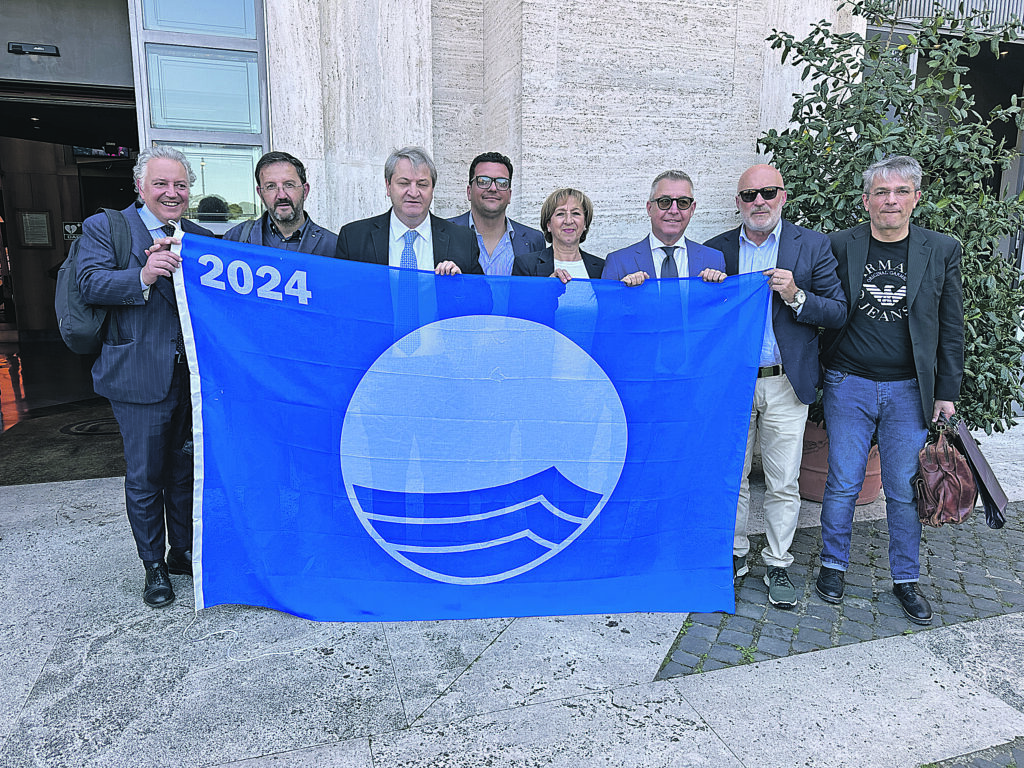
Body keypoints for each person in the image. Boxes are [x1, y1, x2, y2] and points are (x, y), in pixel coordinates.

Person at [814, 155, 964, 625]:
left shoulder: (940, 249)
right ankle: (832, 566)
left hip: (908, 391)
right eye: (881, 192)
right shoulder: (839, 245)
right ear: (866, 200)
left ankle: (905, 579)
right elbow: (823, 304)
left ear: (916, 198)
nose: (891, 201)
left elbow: (951, 327)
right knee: (842, 481)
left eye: (900, 192)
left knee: (901, 488)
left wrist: (946, 392)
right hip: (848, 382)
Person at [705, 164, 847, 609]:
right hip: (733, 382)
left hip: (786, 380)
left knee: (783, 480)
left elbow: (837, 311)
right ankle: (735, 555)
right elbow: (699, 317)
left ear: (783, 197)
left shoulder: (813, 246)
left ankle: (779, 562)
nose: (759, 202)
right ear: (738, 203)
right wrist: (711, 290)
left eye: (768, 192)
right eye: (750, 195)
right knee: (734, 475)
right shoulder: (716, 250)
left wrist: (796, 295)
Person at [77, 146, 212, 608]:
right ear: (140, 186)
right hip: (137, 376)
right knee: (145, 475)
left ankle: (181, 552)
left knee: (183, 471)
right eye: (161, 184)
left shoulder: (197, 235)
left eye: (180, 185)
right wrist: (143, 274)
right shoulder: (107, 228)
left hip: (190, 379)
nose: (171, 193)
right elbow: (90, 283)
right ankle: (152, 564)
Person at [335, 146, 482, 275]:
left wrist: (462, 286)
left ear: (432, 189)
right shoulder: (354, 238)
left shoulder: (463, 240)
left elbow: (485, 302)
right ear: (388, 186)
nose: (413, 192)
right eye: (404, 183)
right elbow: (339, 298)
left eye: (422, 184)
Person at [603, 170, 725, 284]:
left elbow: (722, 305)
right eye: (665, 202)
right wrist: (624, 291)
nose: (674, 210)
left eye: (683, 202)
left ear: (692, 209)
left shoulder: (714, 260)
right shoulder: (618, 262)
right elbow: (609, 305)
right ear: (649, 208)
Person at [448, 151, 546, 275]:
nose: (493, 188)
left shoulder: (534, 240)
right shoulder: (443, 233)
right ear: (469, 191)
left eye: (502, 183)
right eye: (483, 181)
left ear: (510, 195)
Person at [224, 151, 337, 256]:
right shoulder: (235, 238)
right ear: (260, 194)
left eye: (289, 185)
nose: (281, 195)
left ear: (305, 191)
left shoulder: (333, 246)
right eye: (271, 186)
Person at [512, 188, 604, 281]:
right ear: (548, 225)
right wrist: (547, 288)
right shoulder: (526, 265)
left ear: (585, 223)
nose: (568, 221)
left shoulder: (602, 267)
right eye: (560, 214)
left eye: (576, 213)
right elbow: (519, 296)